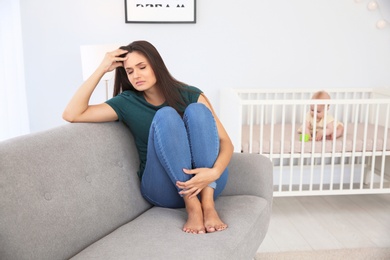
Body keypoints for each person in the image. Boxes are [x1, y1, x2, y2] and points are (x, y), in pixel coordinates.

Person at [62, 40, 233, 234]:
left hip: (208, 184)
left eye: (142, 67)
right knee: (166, 115)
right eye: (130, 71)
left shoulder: (190, 94)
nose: (136, 75)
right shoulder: (126, 102)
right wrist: (102, 68)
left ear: (156, 65)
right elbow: (72, 114)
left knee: (197, 111)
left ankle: (208, 206)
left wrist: (214, 172)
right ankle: (192, 206)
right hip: (163, 188)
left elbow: (226, 142)